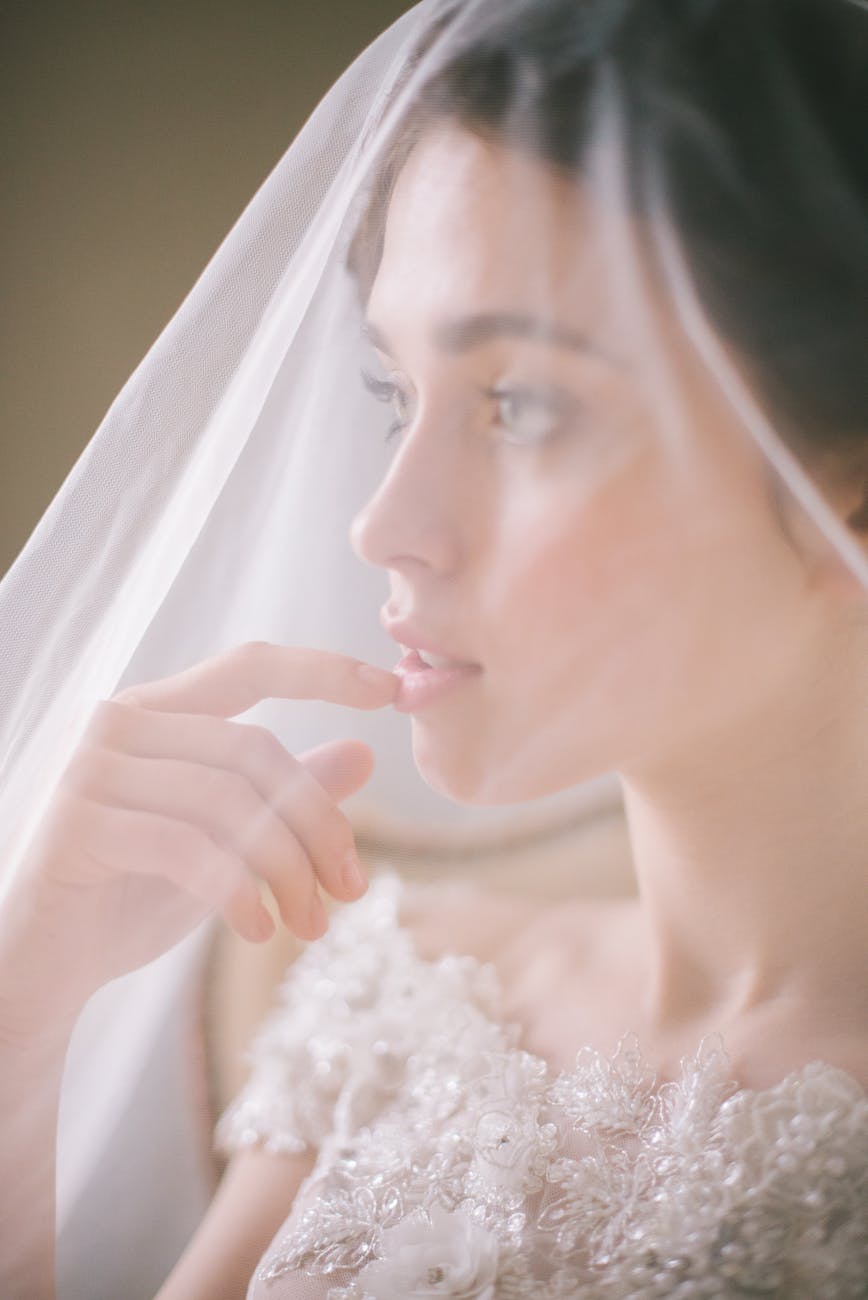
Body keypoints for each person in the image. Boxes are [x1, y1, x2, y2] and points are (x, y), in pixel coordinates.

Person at [1, 0, 867, 1296]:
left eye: (518, 403)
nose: (382, 525)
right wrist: (22, 1016)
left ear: (846, 485)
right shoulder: (410, 1003)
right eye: (396, 396)